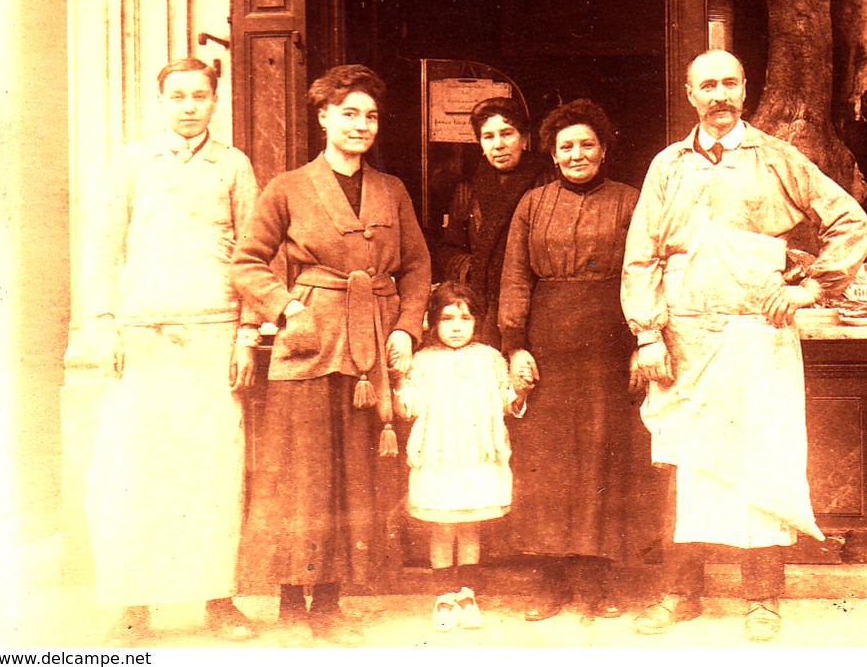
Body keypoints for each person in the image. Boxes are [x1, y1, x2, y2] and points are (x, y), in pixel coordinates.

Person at [622, 50, 867, 642]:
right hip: (683, 337)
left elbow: (850, 222)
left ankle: (762, 599)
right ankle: (679, 593)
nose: (720, 95)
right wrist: (648, 332)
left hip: (757, 336)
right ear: (689, 94)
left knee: (763, 464)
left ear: (744, 88)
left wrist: (813, 286)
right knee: (683, 465)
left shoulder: (777, 157)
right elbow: (641, 256)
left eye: (730, 82)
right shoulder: (668, 166)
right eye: (707, 85)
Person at [231, 64, 431, 646]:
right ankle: (292, 606)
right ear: (323, 116)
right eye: (349, 114)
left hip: (371, 344)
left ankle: (330, 606)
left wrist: (407, 329)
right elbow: (248, 261)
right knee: (302, 477)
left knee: (354, 476)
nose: (361, 126)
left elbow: (417, 266)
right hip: (309, 343)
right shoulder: (288, 186)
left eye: (370, 116)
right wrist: (286, 309)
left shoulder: (391, 189)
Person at [80, 57, 260, 646]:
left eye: (200, 96)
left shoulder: (233, 165)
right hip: (143, 337)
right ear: (161, 102)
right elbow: (104, 246)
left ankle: (219, 598)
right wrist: (104, 322)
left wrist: (246, 334)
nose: (188, 106)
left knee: (213, 470)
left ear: (215, 102)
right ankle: (134, 602)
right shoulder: (133, 162)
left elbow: (254, 259)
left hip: (212, 336)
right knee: (135, 471)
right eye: (177, 96)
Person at [497, 99, 656, 621]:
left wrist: (642, 341)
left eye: (587, 144)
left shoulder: (632, 202)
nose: (577, 154)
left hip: (610, 343)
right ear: (552, 152)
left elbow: (647, 273)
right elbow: (516, 275)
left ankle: (600, 579)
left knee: (605, 459)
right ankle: (550, 581)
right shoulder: (533, 203)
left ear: (605, 149)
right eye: (566, 146)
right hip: (549, 345)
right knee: (549, 464)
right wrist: (515, 343)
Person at [394, 282, 521, 632]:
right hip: (439, 455)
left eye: (465, 318)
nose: (456, 326)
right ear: (433, 322)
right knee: (442, 526)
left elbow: (507, 403)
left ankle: (467, 593)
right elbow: (410, 406)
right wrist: (399, 388)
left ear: (476, 322)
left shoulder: (490, 359)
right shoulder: (422, 361)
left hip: (476, 455)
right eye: (447, 318)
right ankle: (443, 596)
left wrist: (520, 391)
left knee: (469, 527)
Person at [435, 97, 548, 350]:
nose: (498, 145)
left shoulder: (546, 181)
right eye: (488, 137)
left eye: (507, 134)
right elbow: (449, 248)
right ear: (480, 143)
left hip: (532, 302)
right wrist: (473, 267)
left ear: (525, 137)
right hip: (483, 302)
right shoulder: (469, 188)